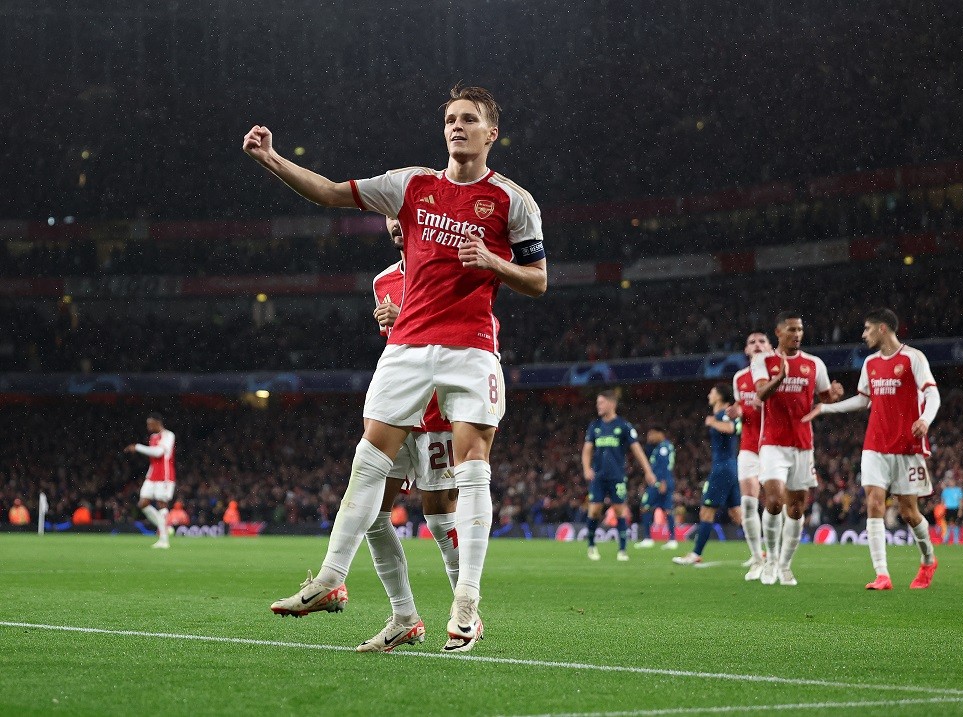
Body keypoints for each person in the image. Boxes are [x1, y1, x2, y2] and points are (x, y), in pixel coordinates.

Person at [246, 84, 546, 653]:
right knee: (369, 461)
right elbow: (332, 193)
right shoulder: (411, 185)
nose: (457, 127)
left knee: (471, 471)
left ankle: (467, 602)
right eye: (451, 119)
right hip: (408, 350)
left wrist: (493, 262)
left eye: (469, 120)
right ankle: (332, 578)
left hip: (471, 348)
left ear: (491, 133)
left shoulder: (514, 201)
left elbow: (539, 280)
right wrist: (272, 160)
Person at [353, 216, 464, 653]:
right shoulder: (383, 280)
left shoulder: (446, 270)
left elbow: (459, 338)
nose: (396, 226)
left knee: (439, 520)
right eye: (390, 220)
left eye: (403, 219)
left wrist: (406, 319)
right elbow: (398, 347)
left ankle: (465, 614)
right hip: (397, 412)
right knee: (370, 515)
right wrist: (396, 325)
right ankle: (404, 617)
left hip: (437, 414)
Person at [803, 308, 940, 589]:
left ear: (882, 328)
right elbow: (863, 400)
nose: (863, 335)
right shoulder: (870, 364)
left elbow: (932, 393)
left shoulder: (913, 358)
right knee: (874, 502)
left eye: (867, 329)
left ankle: (928, 560)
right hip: (875, 444)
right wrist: (826, 408)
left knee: (909, 513)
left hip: (906, 445)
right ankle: (882, 574)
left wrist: (925, 419)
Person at [751, 312, 843, 586]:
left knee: (796, 509)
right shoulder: (763, 361)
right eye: (792, 329)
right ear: (778, 332)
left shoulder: (814, 364)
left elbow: (825, 397)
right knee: (774, 501)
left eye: (800, 329)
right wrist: (779, 379)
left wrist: (834, 395)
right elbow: (760, 394)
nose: (797, 334)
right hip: (772, 443)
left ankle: (785, 565)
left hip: (802, 444)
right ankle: (769, 561)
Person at [581, 390, 658, 562]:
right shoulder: (595, 426)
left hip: (617, 476)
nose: (598, 406)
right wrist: (586, 468)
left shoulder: (623, 426)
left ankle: (622, 550)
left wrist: (648, 471)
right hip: (598, 476)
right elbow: (587, 449)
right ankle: (591, 546)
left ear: (611, 404)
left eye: (601, 403)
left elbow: (636, 449)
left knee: (619, 510)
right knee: (594, 511)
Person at [674, 384, 743, 565]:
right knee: (737, 514)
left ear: (720, 396)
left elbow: (732, 428)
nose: (709, 394)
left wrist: (713, 423)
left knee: (706, 511)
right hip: (729, 467)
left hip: (722, 469)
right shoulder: (722, 414)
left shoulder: (724, 414)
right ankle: (760, 552)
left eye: (712, 392)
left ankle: (696, 553)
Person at [729, 331, 772, 580]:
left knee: (776, 504)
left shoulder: (779, 374)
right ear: (746, 350)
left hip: (776, 446)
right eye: (752, 342)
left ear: (770, 347)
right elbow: (741, 410)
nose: (757, 345)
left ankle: (774, 557)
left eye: (761, 341)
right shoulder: (739, 378)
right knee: (748, 504)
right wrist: (736, 412)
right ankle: (757, 558)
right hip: (748, 446)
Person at [125, 412, 176, 549]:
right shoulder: (153, 437)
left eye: (150, 424)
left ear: (157, 423)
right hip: (152, 476)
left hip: (165, 476)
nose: (148, 426)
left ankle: (164, 540)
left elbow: (158, 453)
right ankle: (165, 527)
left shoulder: (169, 435)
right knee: (142, 503)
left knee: (161, 503)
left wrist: (137, 447)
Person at [635, 426, 677, 549]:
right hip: (663, 481)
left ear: (660, 433)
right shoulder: (661, 447)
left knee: (645, 507)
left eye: (652, 434)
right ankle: (672, 539)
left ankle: (648, 538)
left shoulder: (663, 447)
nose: (650, 437)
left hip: (660, 482)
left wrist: (663, 482)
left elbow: (664, 466)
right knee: (667, 509)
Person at [940, 478, 963, 545]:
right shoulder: (945, 491)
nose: (951, 483)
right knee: (947, 524)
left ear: (954, 482)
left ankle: (956, 540)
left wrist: (960, 510)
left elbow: (961, 501)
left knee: (956, 524)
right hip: (947, 509)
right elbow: (942, 501)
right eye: (950, 482)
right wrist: (941, 510)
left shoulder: (958, 490)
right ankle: (946, 539)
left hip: (955, 508)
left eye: (952, 481)